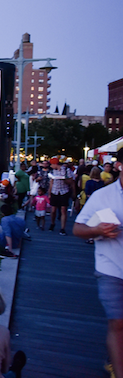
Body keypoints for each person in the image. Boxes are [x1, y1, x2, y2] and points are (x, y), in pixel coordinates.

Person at [73, 156, 123, 378]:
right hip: (111, 267)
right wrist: (98, 230)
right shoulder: (103, 196)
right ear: (120, 166)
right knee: (118, 322)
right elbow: (78, 228)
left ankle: (114, 357)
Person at [48, 157, 74, 235]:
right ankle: (52, 223)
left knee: (63, 210)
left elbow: (71, 181)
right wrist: (49, 193)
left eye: (52, 164)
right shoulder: (53, 171)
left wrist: (63, 179)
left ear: (55, 164)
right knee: (53, 210)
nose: (51, 166)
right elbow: (51, 182)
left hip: (64, 191)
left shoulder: (66, 170)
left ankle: (63, 228)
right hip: (55, 191)